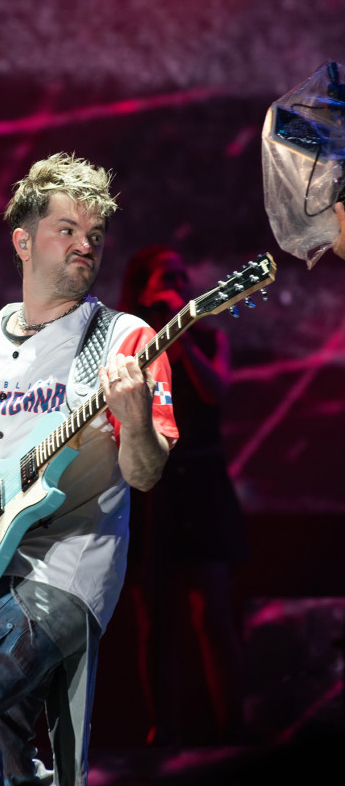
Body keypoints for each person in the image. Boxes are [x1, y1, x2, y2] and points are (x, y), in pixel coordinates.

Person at [0, 153, 179, 786]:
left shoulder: (126, 340)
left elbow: (144, 474)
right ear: (22, 241)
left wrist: (132, 418)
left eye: (96, 236)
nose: (87, 246)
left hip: (64, 569)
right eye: (68, 231)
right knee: (2, 751)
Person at [118, 245, 247, 747]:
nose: (177, 280)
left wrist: (183, 331)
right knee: (153, 615)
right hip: (155, 489)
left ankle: (233, 728)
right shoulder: (131, 346)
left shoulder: (211, 337)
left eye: (181, 274)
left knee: (211, 609)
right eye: (164, 276)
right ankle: (162, 730)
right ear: (143, 289)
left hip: (203, 483)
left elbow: (214, 390)